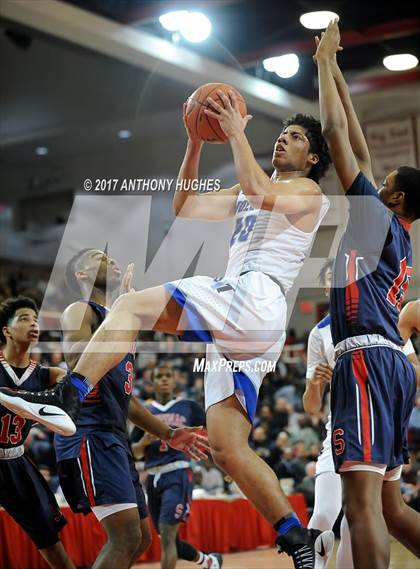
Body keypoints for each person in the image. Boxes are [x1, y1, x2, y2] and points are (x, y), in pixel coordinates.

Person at [0, 101, 335, 567]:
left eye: (296, 137)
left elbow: (260, 190)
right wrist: (195, 141)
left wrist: (236, 132)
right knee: (227, 449)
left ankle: (68, 395)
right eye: (282, 133)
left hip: (256, 295)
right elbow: (186, 205)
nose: (283, 139)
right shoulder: (248, 186)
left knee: (130, 304)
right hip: (247, 324)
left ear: (313, 158)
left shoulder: (307, 191)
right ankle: (296, 538)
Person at [316, 19, 420, 568]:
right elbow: (359, 143)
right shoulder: (394, 226)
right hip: (392, 364)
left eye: (383, 184)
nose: (372, 181)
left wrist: (320, 68)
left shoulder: (374, 214)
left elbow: (336, 134)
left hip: (365, 361)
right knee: (392, 505)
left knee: (361, 508)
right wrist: (334, 65)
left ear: (394, 197)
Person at [54, 249, 210, 569]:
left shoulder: (119, 323)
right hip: (91, 432)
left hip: (114, 435)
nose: (110, 259)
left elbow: (127, 400)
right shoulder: (79, 310)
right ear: (81, 275)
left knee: (141, 538)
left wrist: (168, 432)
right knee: (124, 537)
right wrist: (122, 316)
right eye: (98, 257)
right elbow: (75, 362)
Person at [0, 297, 75, 569]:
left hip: (16, 460)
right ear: (6, 331)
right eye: (23, 318)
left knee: (50, 541)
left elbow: (76, 390)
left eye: (35, 319)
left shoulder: (48, 375)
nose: (33, 323)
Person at [131, 364, 222, 569]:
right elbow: (133, 452)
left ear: (174, 381)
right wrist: (143, 443)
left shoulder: (189, 406)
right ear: (151, 382)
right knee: (169, 539)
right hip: (152, 478)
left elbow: (210, 434)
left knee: (168, 534)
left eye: (168, 375)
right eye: (159, 376)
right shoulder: (145, 411)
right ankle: (208, 561)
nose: (164, 379)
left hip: (177, 472)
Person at [303, 259, 353, 568]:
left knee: (354, 520)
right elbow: (311, 407)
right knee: (323, 514)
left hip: (375, 429)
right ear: (325, 287)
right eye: (331, 279)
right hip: (338, 430)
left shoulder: (378, 320)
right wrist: (316, 384)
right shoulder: (319, 334)